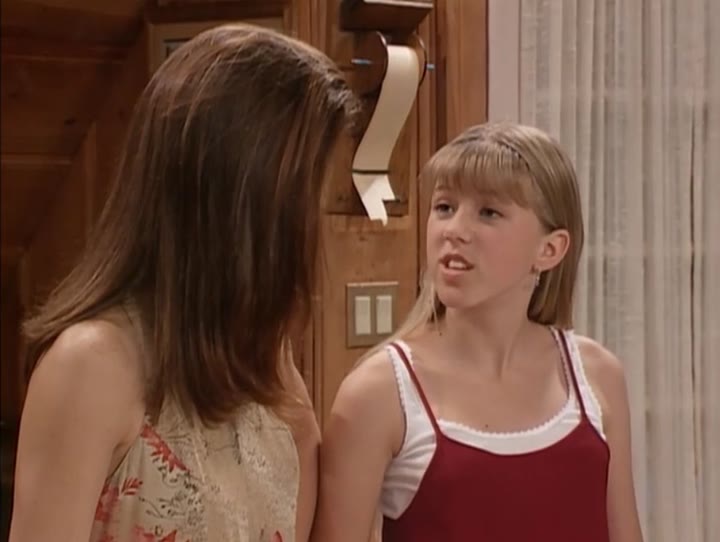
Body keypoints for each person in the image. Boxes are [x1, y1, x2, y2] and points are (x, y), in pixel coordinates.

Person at [9, 23, 359, 542]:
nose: (314, 227)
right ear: (245, 201)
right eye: (309, 197)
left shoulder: (271, 365)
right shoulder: (90, 367)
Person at [313, 122, 644, 542]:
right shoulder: (379, 393)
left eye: (488, 212)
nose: (454, 230)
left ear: (550, 249)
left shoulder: (596, 376)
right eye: (444, 207)